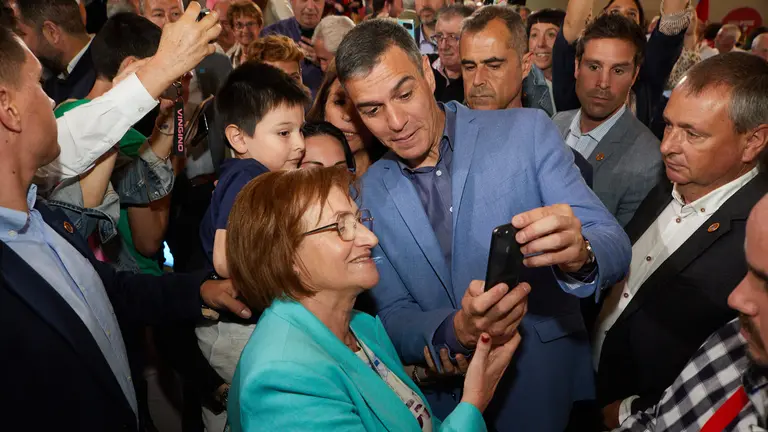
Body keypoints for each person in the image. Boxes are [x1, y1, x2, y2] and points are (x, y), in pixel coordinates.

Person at [335, 19, 631, 432]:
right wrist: (454, 329)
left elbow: (612, 241)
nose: (396, 121)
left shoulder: (526, 131)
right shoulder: (365, 194)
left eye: (404, 94)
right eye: (372, 109)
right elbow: (390, 315)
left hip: (544, 384)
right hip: (445, 404)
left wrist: (580, 253)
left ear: (428, 72)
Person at [0, 10, 252, 431]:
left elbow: (104, 289)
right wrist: (155, 75)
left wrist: (200, 291)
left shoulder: (36, 216)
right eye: (39, 87)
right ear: (8, 109)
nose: (52, 101)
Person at [225, 167, 523, 432]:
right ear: (284, 254)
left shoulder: (364, 327)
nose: (370, 238)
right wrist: (473, 403)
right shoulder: (284, 378)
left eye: (358, 220)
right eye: (341, 227)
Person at [595, 52, 768, 429]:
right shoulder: (673, 179)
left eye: (692, 134)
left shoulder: (761, 235)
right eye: (668, 126)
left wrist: (637, 411)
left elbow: (743, 365)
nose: (667, 146)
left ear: (753, 141)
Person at [616, 190, 768, 431]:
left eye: (766, 284)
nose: (736, 298)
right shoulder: (735, 338)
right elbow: (660, 421)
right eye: (748, 271)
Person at [459, 6, 593, 187]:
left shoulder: (566, 167)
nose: (477, 80)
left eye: (493, 66)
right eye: (469, 67)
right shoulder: (444, 151)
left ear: (525, 65)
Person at [552, 14, 663, 227]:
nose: (603, 83)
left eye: (618, 70)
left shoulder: (649, 161)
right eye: (594, 67)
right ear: (576, 67)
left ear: (634, 75)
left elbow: (623, 249)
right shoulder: (556, 123)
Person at [553, 0, 690, 130]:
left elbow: (672, 22)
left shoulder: (648, 71)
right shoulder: (575, 69)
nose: (603, 83)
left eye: (618, 71)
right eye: (614, 12)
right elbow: (573, 25)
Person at [307, 62, 387, 177]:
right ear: (323, 105)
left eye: (360, 106)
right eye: (339, 102)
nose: (348, 116)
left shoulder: (397, 178)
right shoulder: (296, 169)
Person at [12, 0, 95, 105]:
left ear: (52, 32)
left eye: (22, 34)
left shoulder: (106, 72)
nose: (20, 44)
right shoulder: (54, 83)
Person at [260, 0, 324, 94]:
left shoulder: (341, 33)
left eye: (317, 0)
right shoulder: (270, 35)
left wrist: (327, 60)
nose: (310, 6)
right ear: (291, 1)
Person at [523, 8, 566, 115]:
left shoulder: (572, 82)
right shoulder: (520, 83)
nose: (541, 43)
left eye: (551, 35)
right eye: (534, 35)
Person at [428, 4, 472, 104]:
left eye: (452, 37)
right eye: (439, 36)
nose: (443, 46)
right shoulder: (423, 66)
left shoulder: (477, 79)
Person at [226, 0, 263, 68]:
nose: (245, 30)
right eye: (239, 25)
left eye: (250, 24)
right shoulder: (228, 59)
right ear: (233, 29)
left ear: (260, 26)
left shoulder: (271, 56)